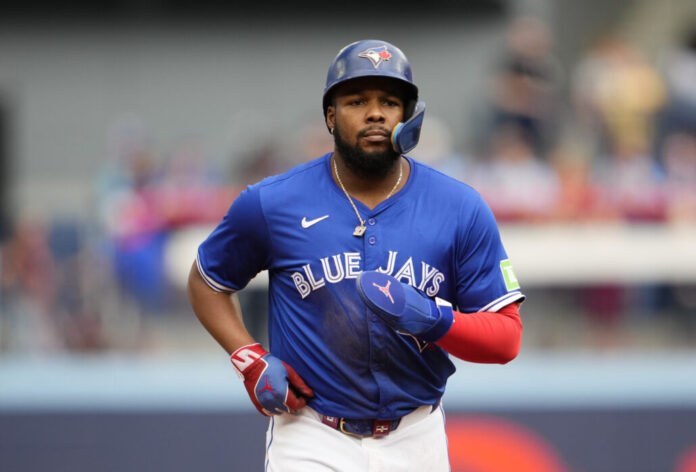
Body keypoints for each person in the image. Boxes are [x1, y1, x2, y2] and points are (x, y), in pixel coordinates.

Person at [187, 39, 525, 471]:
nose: (375, 113)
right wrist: (248, 359)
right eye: (357, 101)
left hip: (415, 435)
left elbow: (506, 338)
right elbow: (207, 281)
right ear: (331, 116)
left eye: (390, 102)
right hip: (311, 434)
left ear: (408, 116)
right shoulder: (272, 203)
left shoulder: (459, 207)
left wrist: (433, 319)